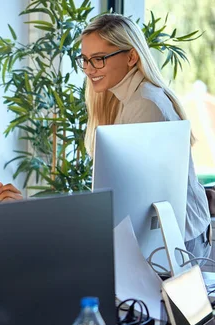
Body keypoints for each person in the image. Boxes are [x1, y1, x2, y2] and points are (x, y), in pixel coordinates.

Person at [78, 14, 212, 262]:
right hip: (171, 237)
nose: (88, 70)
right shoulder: (121, 98)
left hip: (178, 241)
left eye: (98, 60)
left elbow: (132, 197)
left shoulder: (145, 104)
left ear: (131, 57)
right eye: (85, 60)